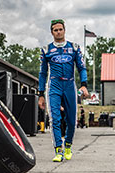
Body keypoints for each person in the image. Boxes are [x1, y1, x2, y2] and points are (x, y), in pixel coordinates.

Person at [38, 19, 89, 162]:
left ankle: (68, 145)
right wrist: (40, 94)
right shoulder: (46, 49)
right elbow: (42, 73)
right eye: (55, 30)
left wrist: (84, 84)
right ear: (51, 32)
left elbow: (81, 67)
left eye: (60, 29)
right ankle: (58, 151)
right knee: (55, 119)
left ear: (64, 30)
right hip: (53, 85)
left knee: (72, 121)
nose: (58, 32)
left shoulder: (74, 47)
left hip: (70, 85)